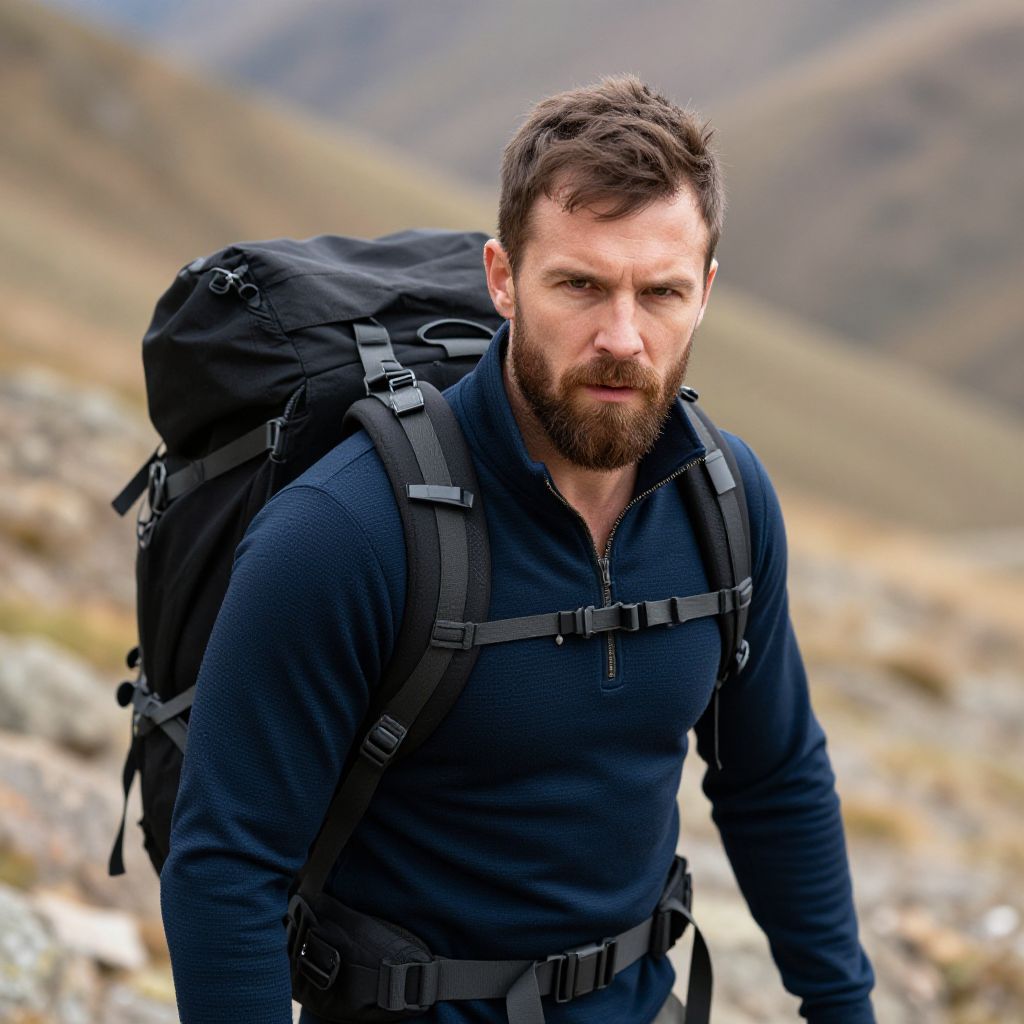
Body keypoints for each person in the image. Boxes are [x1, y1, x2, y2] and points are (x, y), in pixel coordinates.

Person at [160, 75, 876, 1023]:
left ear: (704, 292)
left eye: (661, 292)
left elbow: (774, 781)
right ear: (502, 279)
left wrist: (845, 1008)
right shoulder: (345, 532)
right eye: (580, 284)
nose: (623, 338)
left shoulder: (727, 502)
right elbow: (226, 871)